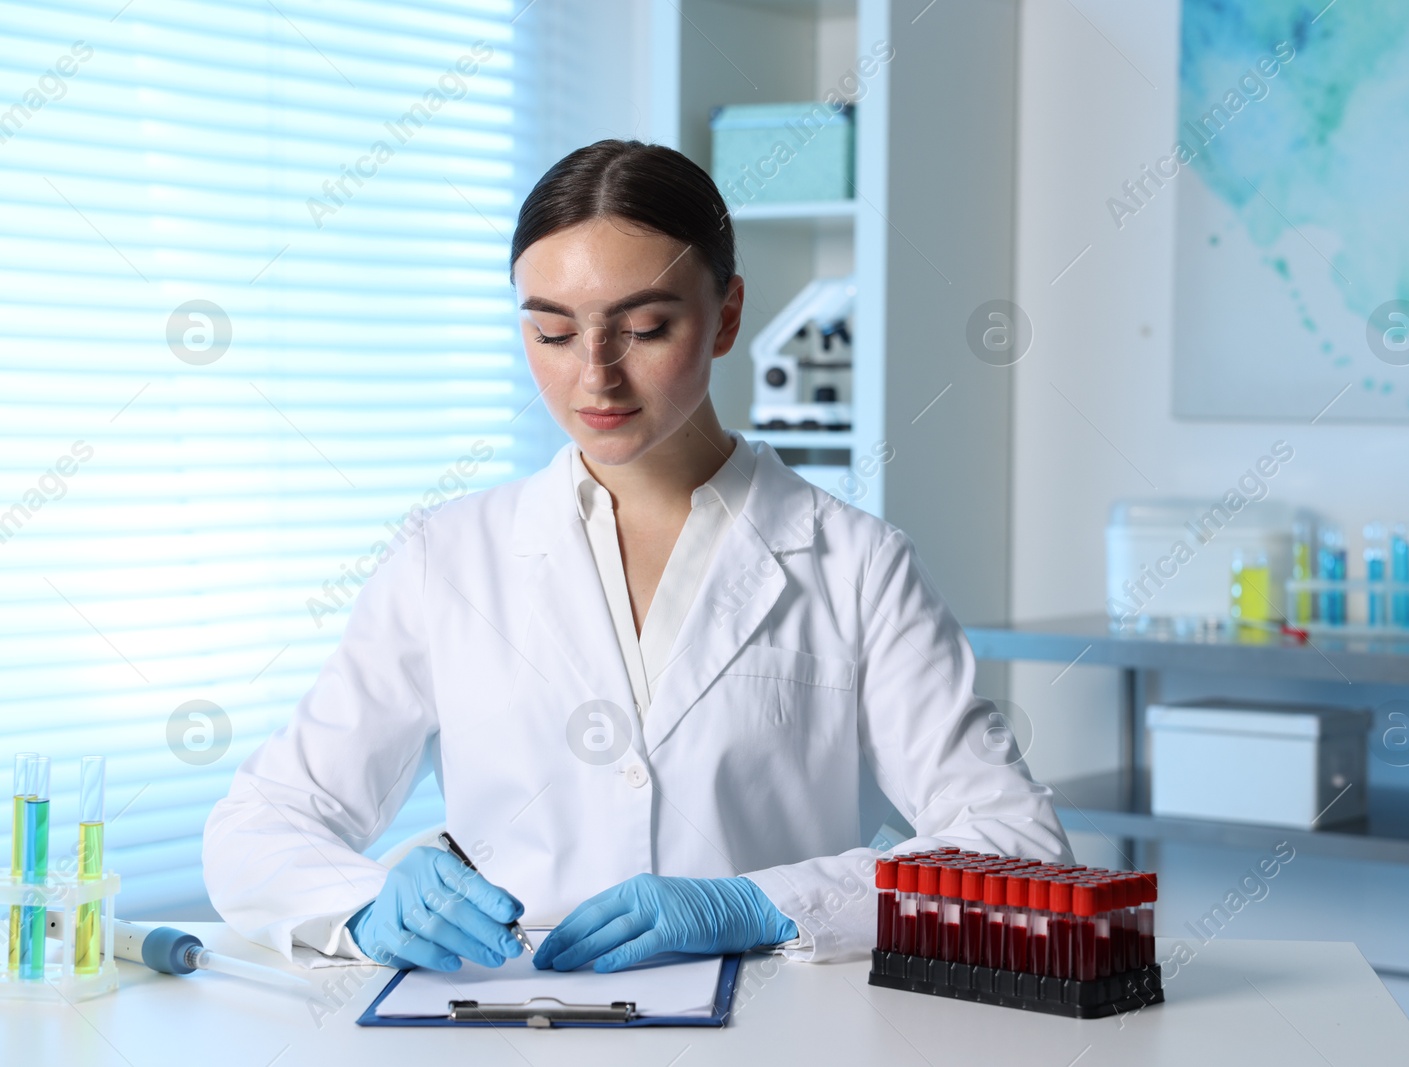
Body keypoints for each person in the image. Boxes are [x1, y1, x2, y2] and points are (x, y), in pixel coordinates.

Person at [202, 139, 1071, 974]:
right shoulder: (447, 559)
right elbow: (258, 828)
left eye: (645, 328)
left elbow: (1015, 846)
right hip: (512, 1030)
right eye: (551, 333)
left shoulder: (857, 564)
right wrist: (364, 903)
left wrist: (767, 904)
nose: (595, 378)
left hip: (776, 1037)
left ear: (726, 315)